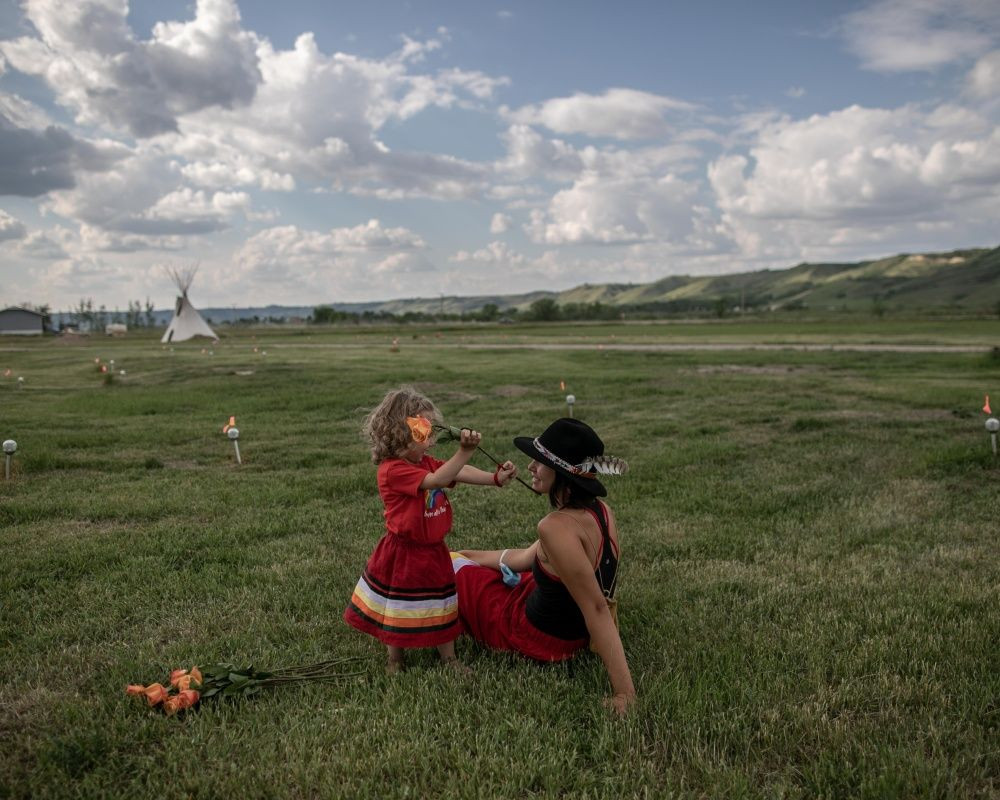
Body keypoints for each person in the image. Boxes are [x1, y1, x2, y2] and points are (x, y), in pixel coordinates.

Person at [453, 418, 636, 714]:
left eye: (538, 462)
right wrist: (465, 556)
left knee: (452, 576)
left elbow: (597, 609)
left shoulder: (555, 527)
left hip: (541, 639)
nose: (530, 467)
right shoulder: (601, 511)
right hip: (568, 626)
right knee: (462, 566)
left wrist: (625, 694)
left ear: (562, 473)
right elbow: (524, 559)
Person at [344, 386, 517, 674]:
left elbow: (456, 472)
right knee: (397, 607)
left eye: (431, 427)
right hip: (404, 551)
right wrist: (464, 450)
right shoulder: (392, 470)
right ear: (400, 433)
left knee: (443, 602)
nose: (432, 435)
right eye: (423, 429)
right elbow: (437, 479)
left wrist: (494, 478)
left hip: (434, 548)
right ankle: (395, 659)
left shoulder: (422, 461)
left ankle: (449, 659)